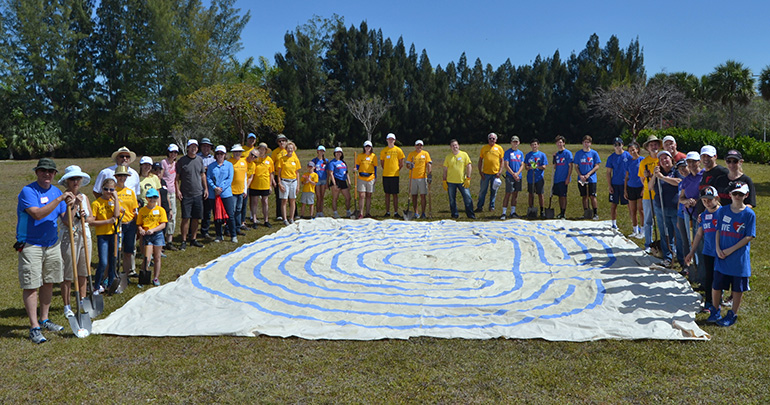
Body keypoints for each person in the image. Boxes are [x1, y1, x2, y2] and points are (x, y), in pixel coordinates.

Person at [17, 158, 75, 343]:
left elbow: (66, 220)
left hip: (52, 244)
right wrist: (59, 198)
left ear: (54, 174)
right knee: (31, 285)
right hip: (31, 244)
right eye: (43, 171)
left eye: (50, 171)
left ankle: (44, 319)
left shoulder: (56, 191)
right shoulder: (28, 191)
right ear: (37, 172)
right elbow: (37, 213)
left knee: (49, 282)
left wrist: (73, 207)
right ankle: (34, 327)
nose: (47, 174)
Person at [707, 182, 756, 327]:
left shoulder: (749, 214)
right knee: (716, 285)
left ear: (746, 195)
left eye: (741, 194)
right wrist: (717, 248)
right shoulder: (723, 211)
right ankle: (715, 310)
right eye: (735, 193)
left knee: (737, 288)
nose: (737, 196)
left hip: (738, 258)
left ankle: (732, 313)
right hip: (721, 255)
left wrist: (730, 250)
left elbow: (749, 236)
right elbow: (717, 230)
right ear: (730, 195)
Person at [57, 166, 93, 318]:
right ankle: (67, 306)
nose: (75, 181)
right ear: (67, 182)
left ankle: (82, 301)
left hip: (85, 235)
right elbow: (66, 221)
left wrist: (85, 215)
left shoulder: (85, 197)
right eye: (72, 179)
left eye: (78, 179)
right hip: (69, 236)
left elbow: (91, 218)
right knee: (68, 273)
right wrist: (75, 206)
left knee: (84, 271)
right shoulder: (63, 198)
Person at [685, 187, 720, 311]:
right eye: (704, 201)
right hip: (708, 251)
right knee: (708, 277)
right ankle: (709, 301)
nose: (707, 203)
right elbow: (699, 234)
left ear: (716, 198)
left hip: (721, 252)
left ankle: (718, 300)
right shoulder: (703, 216)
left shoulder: (723, 212)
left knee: (719, 277)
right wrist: (692, 251)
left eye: (710, 200)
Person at [175, 139, 208, 250]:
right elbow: (177, 178)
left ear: (197, 148)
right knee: (185, 218)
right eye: (191, 147)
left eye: (195, 147)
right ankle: (184, 240)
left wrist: (206, 189)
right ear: (188, 148)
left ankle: (193, 239)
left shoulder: (199, 160)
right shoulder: (181, 161)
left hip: (198, 193)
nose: (193, 149)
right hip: (186, 194)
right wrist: (178, 191)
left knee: (196, 218)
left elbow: (202, 175)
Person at [651, 151, 682, 268]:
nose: (664, 161)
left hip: (675, 208)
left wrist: (663, 178)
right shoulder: (658, 173)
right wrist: (655, 175)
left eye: (666, 158)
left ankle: (682, 258)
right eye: (662, 159)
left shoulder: (677, 171)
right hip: (660, 207)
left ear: (671, 159)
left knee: (679, 234)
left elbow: (679, 183)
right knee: (665, 233)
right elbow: (650, 187)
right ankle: (668, 257)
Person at [91, 177, 120, 294]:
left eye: (111, 189)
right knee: (103, 262)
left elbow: (117, 215)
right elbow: (92, 222)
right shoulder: (96, 203)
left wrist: (116, 199)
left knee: (113, 260)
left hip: (113, 234)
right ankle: (96, 286)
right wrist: (106, 222)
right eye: (106, 189)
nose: (108, 191)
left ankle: (110, 284)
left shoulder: (114, 201)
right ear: (102, 189)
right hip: (102, 235)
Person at [136, 188, 167, 286]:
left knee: (157, 257)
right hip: (147, 236)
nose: (152, 200)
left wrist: (153, 230)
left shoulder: (160, 210)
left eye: (155, 197)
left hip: (157, 235)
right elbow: (139, 223)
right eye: (150, 198)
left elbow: (163, 224)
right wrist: (141, 230)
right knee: (147, 258)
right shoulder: (142, 211)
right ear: (146, 198)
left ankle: (156, 278)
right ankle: (143, 278)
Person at [677, 153, 702, 272]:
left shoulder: (703, 176)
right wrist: (686, 201)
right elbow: (681, 198)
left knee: (699, 241)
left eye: (694, 161)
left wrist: (697, 201)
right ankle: (691, 266)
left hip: (700, 214)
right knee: (690, 239)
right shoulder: (686, 180)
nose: (691, 164)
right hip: (688, 213)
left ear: (699, 162)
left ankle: (700, 268)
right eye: (689, 162)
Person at [207, 145, 237, 242]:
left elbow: (229, 179)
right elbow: (209, 178)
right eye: (218, 153)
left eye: (222, 153)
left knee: (230, 214)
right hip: (214, 194)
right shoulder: (211, 166)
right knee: (217, 215)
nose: (220, 155)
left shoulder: (229, 165)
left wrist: (221, 188)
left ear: (225, 155)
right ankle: (218, 235)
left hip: (226, 193)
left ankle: (233, 234)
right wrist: (214, 187)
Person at [115, 165, 139, 281]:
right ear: (116, 177)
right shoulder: (113, 191)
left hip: (130, 224)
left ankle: (126, 273)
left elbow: (135, 210)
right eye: (120, 176)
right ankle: (114, 274)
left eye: (124, 176)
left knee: (128, 251)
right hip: (117, 225)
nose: (122, 178)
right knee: (116, 251)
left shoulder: (130, 192)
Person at [638, 135, 661, 253]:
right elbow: (642, 180)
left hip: (661, 194)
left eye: (655, 144)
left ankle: (663, 244)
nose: (654, 147)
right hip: (648, 195)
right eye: (651, 145)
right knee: (648, 220)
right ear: (647, 148)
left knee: (662, 220)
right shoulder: (644, 162)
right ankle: (648, 243)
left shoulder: (662, 159)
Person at [443, 139, 475, 219]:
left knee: (467, 198)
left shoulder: (464, 154)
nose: (455, 147)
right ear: (450, 147)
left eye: (456, 145)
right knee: (452, 199)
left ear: (458, 145)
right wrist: (444, 180)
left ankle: (470, 215)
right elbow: (445, 170)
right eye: (453, 145)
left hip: (462, 181)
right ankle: (454, 214)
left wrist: (468, 178)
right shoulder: (448, 157)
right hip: (450, 182)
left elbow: (469, 166)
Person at [246, 143, 275, 228]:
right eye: (260, 149)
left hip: (265, 184)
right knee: (254, 202)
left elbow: (271, 173)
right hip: (254, 184)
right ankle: (254, 220)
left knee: (265, 202)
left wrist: (270, 185)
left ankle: (266, 220)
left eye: (264, 149)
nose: (262, 151)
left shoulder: (269, 160)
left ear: (266, 151)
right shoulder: (255, 159)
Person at [605, 137, 631, 229]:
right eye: (615, 145)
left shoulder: (628, 155)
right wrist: (609, 185)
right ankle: (613, 223)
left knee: (630, 205)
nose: (617, 147)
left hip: (626, 184)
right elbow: (608, 172)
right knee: (614, 204)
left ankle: (634, 224)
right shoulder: (611, 158)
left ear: (622, 145)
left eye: (619, 145)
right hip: (615, 184)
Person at [475, 132, 505, 213]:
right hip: (485, 174)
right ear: (488, 139)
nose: (492, 140)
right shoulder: (484, 148)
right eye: (490, 138)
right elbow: (480, 160)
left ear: (496, 140)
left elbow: (502, 161)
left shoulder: (499, 148)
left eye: (493, 138)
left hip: (495, 174)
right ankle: (480, 207)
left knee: (493, 191)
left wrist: (500, 171)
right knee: (482, 191)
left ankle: (492, 207)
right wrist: (480, 172)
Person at [574, 135, 601, 220]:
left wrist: (589, 174)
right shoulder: (578, 154)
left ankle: (595, 213)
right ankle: (586, 212)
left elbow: (597, 166)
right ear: (582, 143)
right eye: (585, 142)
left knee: (592, 196)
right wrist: (580, 175)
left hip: (592, 178)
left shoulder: (594, 153)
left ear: (590, 143)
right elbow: (576, 166)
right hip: (581, 178)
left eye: (588, 142)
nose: (586, 144)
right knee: (584, 196)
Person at [380, 133, 405, 218]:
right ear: (387, 140)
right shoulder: (384, 151)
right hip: (386, 175)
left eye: (392, 139)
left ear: (394, 140)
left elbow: (401, 163)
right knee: (387, 194)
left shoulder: (398, 150)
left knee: (395, 194)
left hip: (395, 175)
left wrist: (396, 170)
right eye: (389, 139)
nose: (391, 141)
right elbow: (382, 164)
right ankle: (387, 212)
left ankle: (395, 212)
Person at [277, 140, 301, 225]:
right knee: (284, 200)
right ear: (286, 149)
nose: (290, 150)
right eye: (288, 148)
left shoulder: (295, 159)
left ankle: (291, 218)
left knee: (292, 200)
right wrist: (279, 183)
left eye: (291, 148)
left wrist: (298, 185)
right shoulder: (282, 159)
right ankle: (285, 219)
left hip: (293, 181)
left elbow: (297, 173)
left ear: (294, 149)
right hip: (284, 182)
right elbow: (279, 173)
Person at [406, 140, 432, 219]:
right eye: (417, 145)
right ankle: (416, 213)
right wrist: (410, 165)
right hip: (413, 178)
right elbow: (407, 165)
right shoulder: (411, 154)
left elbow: (429, 164)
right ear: (415, 146)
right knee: (414, 196)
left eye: (421, 145)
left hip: (422, 177)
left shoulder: (425, 154)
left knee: (423, 195)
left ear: (422, 146)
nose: (419, 146)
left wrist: (429, 174)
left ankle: (423, 213)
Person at [624, 141, 645, 239]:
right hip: (630, 187)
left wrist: (644, 188)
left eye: (633, 149)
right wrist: (625, 190)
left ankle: (643, 230)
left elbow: (646, 176)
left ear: (637, 149)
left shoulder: (642, 160)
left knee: (641, 210)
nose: (632, 152)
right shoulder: (628, 162)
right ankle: (635, 230)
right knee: (633, 210)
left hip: (640, 187)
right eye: (629, 150)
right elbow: (627, 177)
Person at [160, 144, 179, 249]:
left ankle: (169, 241)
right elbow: (161, 177)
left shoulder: (176, 164)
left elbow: (176, 179)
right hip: (164, 193)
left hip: (172, 193)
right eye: (171, 152)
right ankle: (161, 241)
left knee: (173, 216)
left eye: (175, 152)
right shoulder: (164, 163)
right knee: (163, 216)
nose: (173, 154)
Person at [501, 136, 524, 219]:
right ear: (511, 143)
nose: (515, 143)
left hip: (518, 176)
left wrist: (517, 174)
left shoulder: (520, 153)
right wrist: (513, 174)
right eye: (513, 142)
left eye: (516, 142)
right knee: (508, 193)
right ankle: (504, 212)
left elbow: (522, 165)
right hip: (510, 176)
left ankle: (513, 212)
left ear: (519, 143)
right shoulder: (507, 153)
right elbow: (506, 165)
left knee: (515, 194)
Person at [524, 139, 548, 218]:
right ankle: (531, 209)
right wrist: (529, 167)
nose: (534, 146)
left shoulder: (542, 155)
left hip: (539, 178)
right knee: (531, 194)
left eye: (535, 144)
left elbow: (544, 166)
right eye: (532, 144)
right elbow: (526, 166)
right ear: (530, 146)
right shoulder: (528, 155)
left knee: (540, 194)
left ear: (538, 145)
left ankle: (541, 210)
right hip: (531, 178)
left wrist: (536, 166)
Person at [551, 135, 573, 219]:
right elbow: (555, 166)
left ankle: (563, 213)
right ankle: (560, 211)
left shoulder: (567, 153)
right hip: (557, 178)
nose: (559, 144)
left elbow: (570, 166)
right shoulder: (557, 154)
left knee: (563, 196)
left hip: (564, 178)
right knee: (559, 195)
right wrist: (553, 158)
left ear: (563, 143)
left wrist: (568, 177)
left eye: (561, 142)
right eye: (558, 142)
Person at [228, 144, 248, 234]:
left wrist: (245, 190)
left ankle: (237, 227)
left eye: (239, 152)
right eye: (236, 152)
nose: (238, 153)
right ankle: (229, 228)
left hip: (241, 191)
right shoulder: (229, 162)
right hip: (231, 191)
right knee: (231, 211)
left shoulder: (244, 162)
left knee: (238, 210)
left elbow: (245, 177)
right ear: (233, 152)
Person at [198, 138, 216, 238]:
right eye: (204, 146)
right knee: (196, 211)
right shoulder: (197, 157)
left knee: (207, 211)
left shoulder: (213, 159)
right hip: (197, 186)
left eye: (208, 146)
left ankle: (205, 230)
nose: (206, 148)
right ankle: (192, 232)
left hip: (208, 187)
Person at [327, 147, 352, 219]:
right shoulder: (332, 162)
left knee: (348, 197)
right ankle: (335, 213)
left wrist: (349, 182)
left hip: (343, 181)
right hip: (336, 180)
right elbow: (331, 173)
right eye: (337, 152)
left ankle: (348, 211)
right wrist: (334, 184)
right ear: (334, 153)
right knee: (335, 198)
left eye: (340, 152)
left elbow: (347, 173)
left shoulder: (343, 162)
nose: (338, 154)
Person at [356, 140, 377, 219]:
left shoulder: (373, 156)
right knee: (362, 195)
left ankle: (367, 212)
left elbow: (375, 167)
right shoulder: (360, 156)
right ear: (364, 147)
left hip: (370, 177)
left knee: (369, 195)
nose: (367, 148)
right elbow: (357, 165)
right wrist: (356, 169)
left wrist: (376, 176)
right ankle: (361, 213)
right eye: (366, 146)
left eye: (369, 146)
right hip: (362, 177)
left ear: (371, 148)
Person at [272, 134, 288, 220]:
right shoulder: (275, 152)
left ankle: (294, 213)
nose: (282, 142)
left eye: (283, 140)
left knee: (290, 195)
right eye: (279, 141)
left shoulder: (289, 150)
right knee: (279, 195)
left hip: (289, 175)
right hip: (278, 175)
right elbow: (272, 165)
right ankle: (279, 214)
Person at [312, 146, 329, 218]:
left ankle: (321, 211)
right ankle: (317, 211)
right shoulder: (314, 160)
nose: (321, 152)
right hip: (317, 180)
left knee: (322, 196)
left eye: (323, 151)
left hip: (324, 180)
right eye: (320, 151)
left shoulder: (326, 161)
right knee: (318, 196)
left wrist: (328, 182)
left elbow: (328, 172)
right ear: (317, 151)